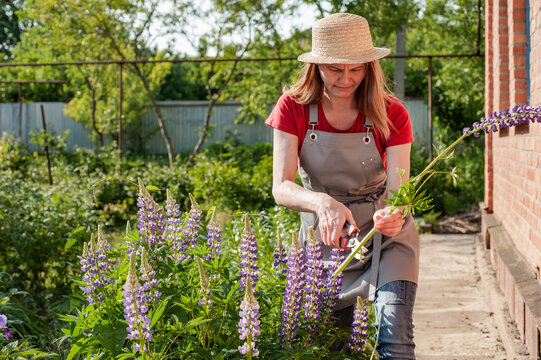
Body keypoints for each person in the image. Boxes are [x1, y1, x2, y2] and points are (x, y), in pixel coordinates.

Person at [266, 13, 420, 359]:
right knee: (332, 349)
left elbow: (400, 192)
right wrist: (322, 203)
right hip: (329, 240)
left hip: (387, 238)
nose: (346, 79)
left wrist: (396, 213)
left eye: (357, 69)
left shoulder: (391, 112)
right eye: (335, 69)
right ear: (316, 65)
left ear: (369, 66)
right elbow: (281, 186)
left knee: (394, 342)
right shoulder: (293, 108)